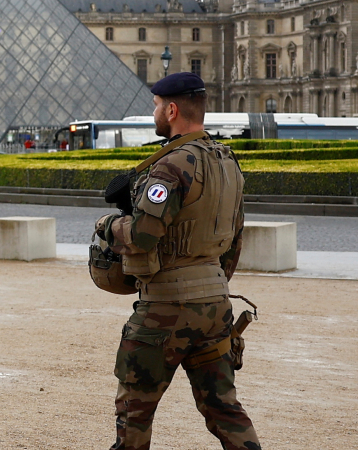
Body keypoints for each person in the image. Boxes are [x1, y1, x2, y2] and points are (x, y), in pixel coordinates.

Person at [93, 72, 260, 450]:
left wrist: (108, 225)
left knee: (134, 410)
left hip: (166, 308)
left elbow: (142, 236)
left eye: (155, 106)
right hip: (216, 305)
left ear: (171, 109)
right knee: (224, 409)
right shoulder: (228, 163)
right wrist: (212, 282)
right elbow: (235, 241)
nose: (153, 112)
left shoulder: (171, 165)